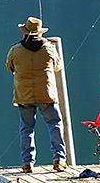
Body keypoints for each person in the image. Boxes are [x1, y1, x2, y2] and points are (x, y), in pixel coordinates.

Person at [5, 16, 66, 173]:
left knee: (26, 128)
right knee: (54, 124)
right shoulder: (48, 48)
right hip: (46, 93)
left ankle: (27, 163)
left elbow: (9, 67)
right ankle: (59, 159)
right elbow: (58, 66)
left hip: (24, 95)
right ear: (40, 33)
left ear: (24, 32)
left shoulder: (15, 50)